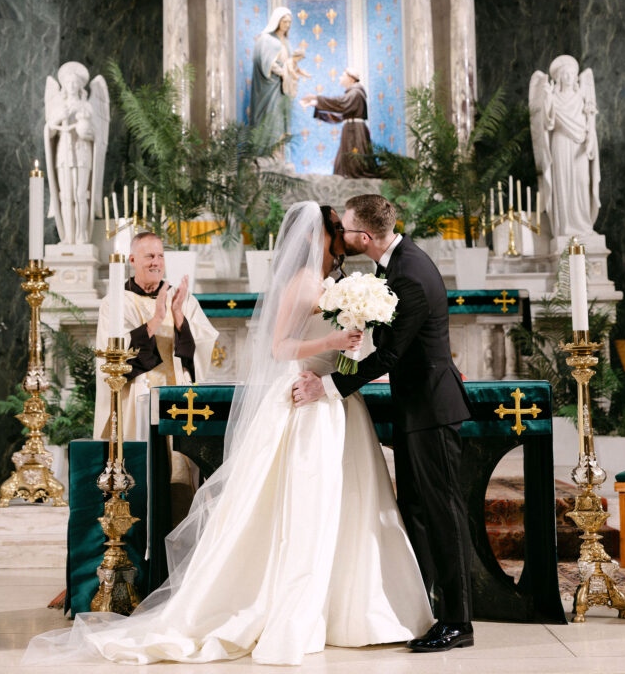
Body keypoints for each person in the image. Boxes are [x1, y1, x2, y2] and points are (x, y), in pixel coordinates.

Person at [26, 202, 432, 667]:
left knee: (350, 505)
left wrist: (351, 349)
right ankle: (296, 608)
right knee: (307, 507)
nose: (343, 236)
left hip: (336, 401)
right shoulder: (302, 281)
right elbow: (281, 347)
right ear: (318, 237)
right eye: (337, 229)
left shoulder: (339, 286)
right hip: (305, 401)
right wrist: (332, 344)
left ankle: (355, 609)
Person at [292, 193, 474, 653]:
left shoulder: (408, 274)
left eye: (347, 230)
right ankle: (429, 609)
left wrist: (329, 386)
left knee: (443, 513)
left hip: (432, 409)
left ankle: (459, 622)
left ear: (365, 237)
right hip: (416, 407)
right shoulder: (392, 267)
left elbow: (390, 355)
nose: (343, 237)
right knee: (416, 508)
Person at [93, 231, 218, 521]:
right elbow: (112, 357)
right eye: (149, 256)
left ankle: (180, 550)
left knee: (181, 476)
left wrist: (177, 317)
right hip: (135, 406)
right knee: (141, 478)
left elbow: (201, 349)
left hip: (179, 404)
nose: (156, 262)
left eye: (160, 256)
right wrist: (154, 320)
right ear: (132, 260)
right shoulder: (115, 302)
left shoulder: (182, 299)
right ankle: (139, 544)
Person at [529, 55, 600, 239]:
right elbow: (548, 124)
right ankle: (565, 227)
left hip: (579, 146)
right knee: (564, 184)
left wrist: (591, 137)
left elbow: (589, 122)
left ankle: (583, 225)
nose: (568, 76)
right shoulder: (553, 97)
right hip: (560, 143)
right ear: (558, 77)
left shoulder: (581, 97)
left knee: (581, 181)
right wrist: (546, 98)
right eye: (564, 74)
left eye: (571, 73)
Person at [43, 62, 109, 244]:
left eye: (75, 83)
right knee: (66, 195)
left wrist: (85, 127)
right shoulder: (58, 106)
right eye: (68, 83)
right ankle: (68, 236)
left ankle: (81, 234)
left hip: (82, 152)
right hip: (63, 153)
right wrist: (58, 117)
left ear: (80, 86)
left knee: (80, 194)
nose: (71, 86)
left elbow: (96, 133)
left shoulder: (87, 106)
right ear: (63, 85)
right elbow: (49, 132)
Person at [301, 67, 373, 177]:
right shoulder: (352, 94)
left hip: (355, 131)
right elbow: (338, 115)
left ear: (351, 78)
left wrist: (317, 99)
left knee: (355, 158)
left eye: (343, 75)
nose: (340, 77)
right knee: (344, 159)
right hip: (350, 129)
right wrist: (316, 104)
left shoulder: (356, 93)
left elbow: (340, 104)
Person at [250, 6, 293, 143]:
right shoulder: (266, 39)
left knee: (280, 118)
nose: (287, 25)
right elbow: (265, 62)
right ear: (277, 21)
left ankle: (278, 154)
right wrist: (282, 72)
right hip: (270, 87)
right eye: (284, 21)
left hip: (283, 87)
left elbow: (289, 63)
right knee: (270, 116)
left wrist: (289, 74)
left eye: (289, 22)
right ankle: (264, 152)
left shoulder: (286, 42)